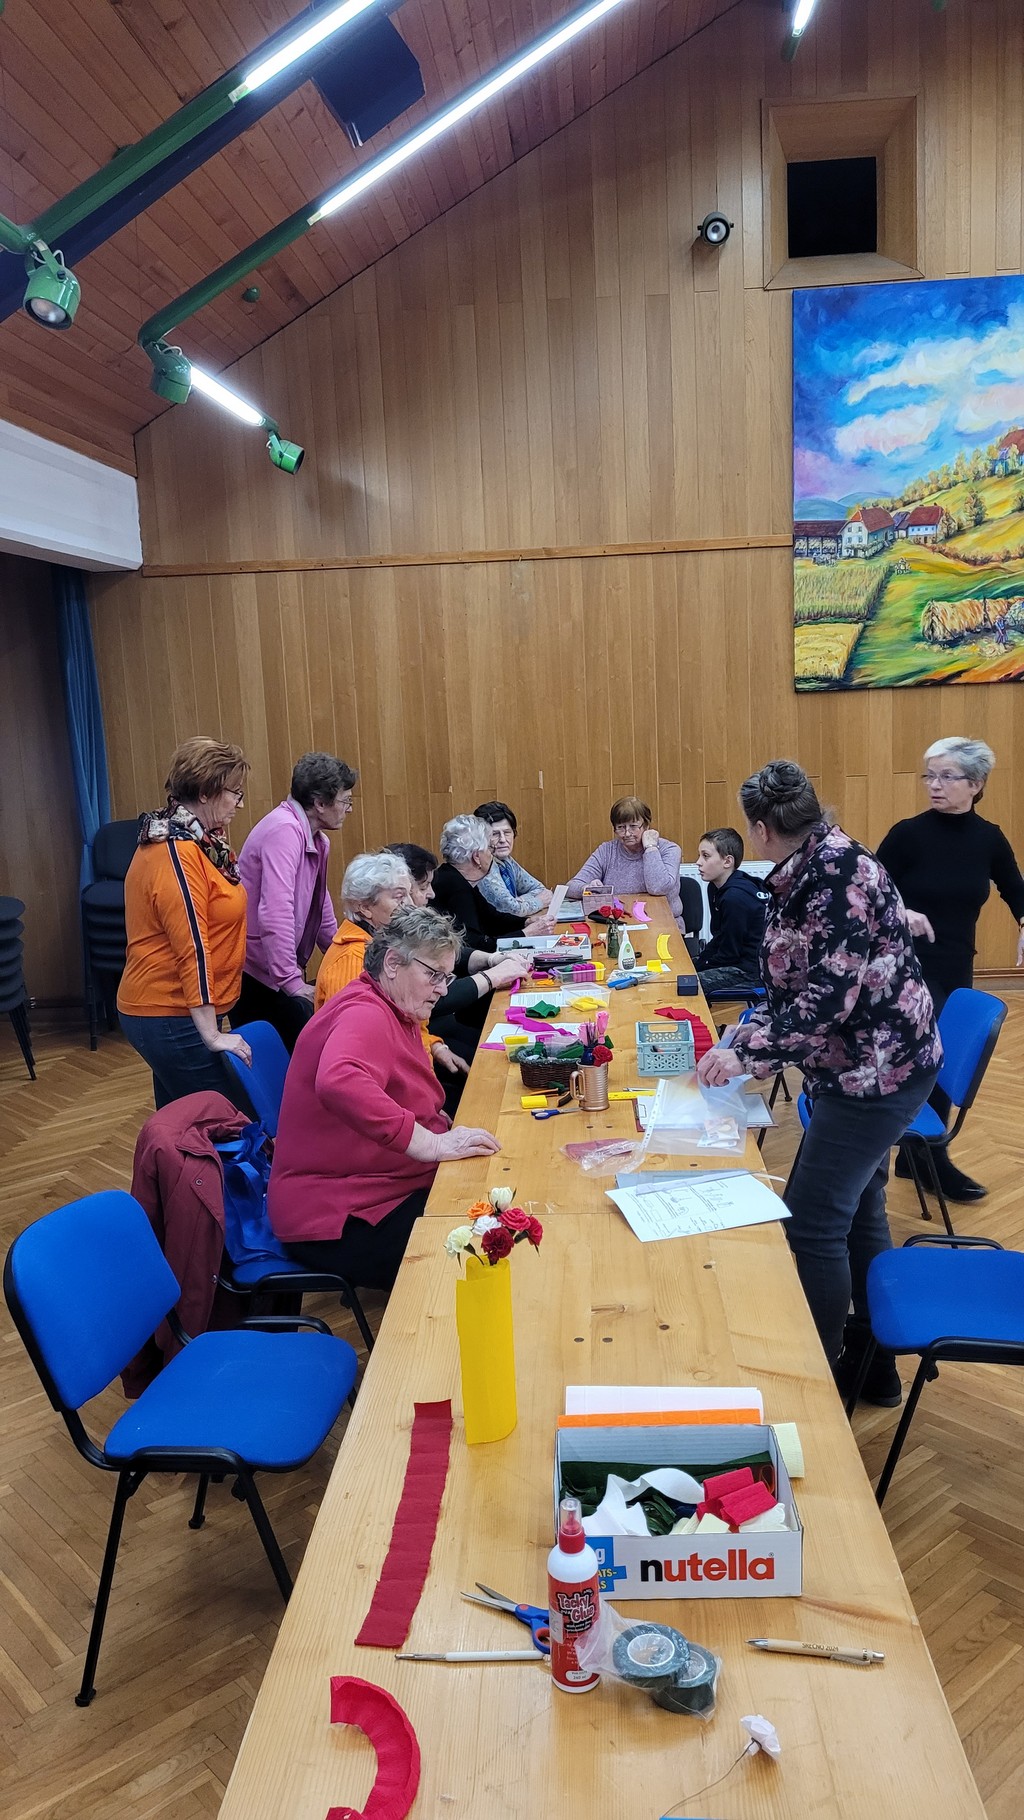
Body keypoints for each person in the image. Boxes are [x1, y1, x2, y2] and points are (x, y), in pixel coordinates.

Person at [697, 761, 941, 1407]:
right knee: (857, 1208)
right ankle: (875, 1365)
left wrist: (746, 1053)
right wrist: (745, 1035)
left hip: (876, 1073)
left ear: (759, 829)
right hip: (862, 1065)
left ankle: (818, 1385)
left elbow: (826, 1002)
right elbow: (795, 987)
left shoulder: (836, 876)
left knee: (811, 1225)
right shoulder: (812, 864)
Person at [268, 907, 501, 1289]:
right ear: (392, 963)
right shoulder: (366, 1013)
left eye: (447, 977)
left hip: (376, 1186)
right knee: (486, 1253)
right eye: (434, 975)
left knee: (496, 1209)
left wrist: (438, 1131)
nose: (443, 989)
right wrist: (431, 1143)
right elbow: (339, 1080)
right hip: (336, 1212)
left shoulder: (393, 1008)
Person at [878, 736, 1024, 1202]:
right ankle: (931, 1157)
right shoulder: (908, 835)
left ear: (975, 784)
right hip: (904, 969)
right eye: (930, 776)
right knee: (935, 1054)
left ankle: (917, 1154)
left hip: (957, 965)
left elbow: (1014, 888)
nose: (934, 785)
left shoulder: (989, 838)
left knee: (943, 1052)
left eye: (946, 777)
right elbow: (866, 893)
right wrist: (900, 912)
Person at [118, 737, 254, 1109]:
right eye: (235, 793)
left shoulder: (205, 842)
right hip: (170, 1014)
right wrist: (211, 1034)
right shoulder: (176, 851)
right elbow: (192, 944)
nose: (239, 803)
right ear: (206, 792)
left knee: (184, 1124)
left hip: (183, 1013)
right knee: (229, 1119)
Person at [235, 752, 357, 1051]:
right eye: (345, 801)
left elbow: (320, 905)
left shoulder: (317, 838)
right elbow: (275, 912)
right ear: (320, 803)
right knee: (289, 1055)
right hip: (256, 972)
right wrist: (290, 980)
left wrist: (342, 953)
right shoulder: (284, 830)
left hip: (274, 968)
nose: (348, 809)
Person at [385, 839, 530, 1079]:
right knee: (501, 1067)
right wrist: (492, 976)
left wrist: (492, 960)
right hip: (422, 1044)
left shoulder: (396, 931)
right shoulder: (367, 950)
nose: (430, 894)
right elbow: (428, 1000)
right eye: (422, 887)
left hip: (430, 1036)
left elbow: (448, 954)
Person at [430, 814, 554, 955]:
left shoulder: (459, 878)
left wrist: (526, 923)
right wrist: (526, 934)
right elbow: (476, 945)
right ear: (477, 857)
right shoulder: (456, 887)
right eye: (490, 849)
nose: (492, 855)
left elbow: (492, 918)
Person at [313, 851, 413, 1010]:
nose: (411, 904)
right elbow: (349, 1021)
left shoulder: (379, 944)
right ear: (365, 907)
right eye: (399, 896)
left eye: (410, 894)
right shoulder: (352, 958)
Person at [565, 797, 684, 928]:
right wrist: (588, 889)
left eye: (633, 826)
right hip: (617, 926)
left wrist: (650, 848)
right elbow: (570, 887)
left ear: (646, 826)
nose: (627, 833)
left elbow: (658, 888)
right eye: (621, 827)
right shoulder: (606, 851)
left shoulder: (669, 849)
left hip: (664, 924)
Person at [695, 827, 771, 993]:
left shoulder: (734, 898)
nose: (698, 862)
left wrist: (697, 968)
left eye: (705, 856)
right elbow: (720, 936)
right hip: (735, 960)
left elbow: (729, 954)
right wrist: (698, 962)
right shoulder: (715, 887)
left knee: (686, 984)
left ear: (727, 862)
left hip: (750, 971)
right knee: (686, 973)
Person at [473, 801, 552, 919]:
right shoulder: (482, 866)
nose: (502, 839)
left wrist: (519, 902)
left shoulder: (506, 861)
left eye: (507, 832)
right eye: (495, 834)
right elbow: (512, 909)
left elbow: (540, 890)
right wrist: (537, 902)